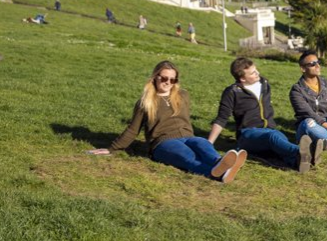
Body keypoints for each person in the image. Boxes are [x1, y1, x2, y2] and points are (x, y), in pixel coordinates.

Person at [87, 61, 246, 183]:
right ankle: (219, 174)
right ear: (155, 77)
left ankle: (222, 164)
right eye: (164, 78)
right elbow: (132, 130)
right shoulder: (146, 102)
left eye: (172, 79)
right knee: (189, 158)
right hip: (163, 142)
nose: (168, 82)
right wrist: (112, 149)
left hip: (188, 136)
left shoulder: (183, 95)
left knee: (202, 144)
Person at [208, 58, 322, 173]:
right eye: (252, 73)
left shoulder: (264, 83)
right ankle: (304, 153)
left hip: (269, 129)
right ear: (242, 78)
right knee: (272, 137)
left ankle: (298, 162)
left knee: (278, 141)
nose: (257, 73)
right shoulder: (233, 92)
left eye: (256, 69)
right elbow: (221, 119)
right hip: (248, 134)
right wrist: (208, 144)